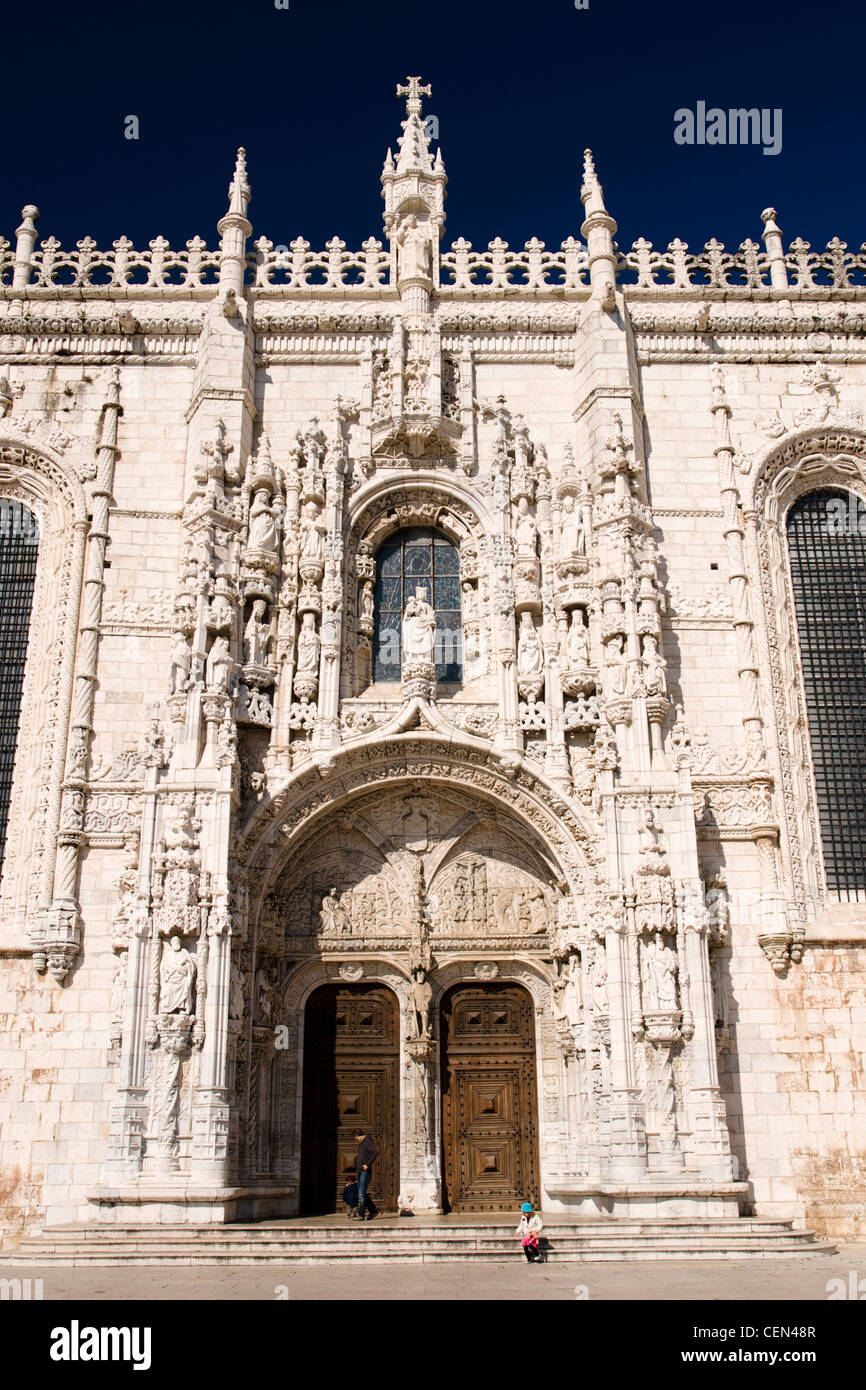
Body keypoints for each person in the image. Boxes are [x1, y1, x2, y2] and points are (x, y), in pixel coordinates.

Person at [354, 1128, 378, 1221]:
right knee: (362, 1192)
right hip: (360, 1171)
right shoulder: (361, 1143)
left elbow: (374, 1153)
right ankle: (373, 1210)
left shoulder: (367, 1141)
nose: (355, 1139)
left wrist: (367, 1164)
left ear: (357, 1136)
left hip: (364, 1171)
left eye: (355, 1137)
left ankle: (361, 1215)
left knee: (361, 1193)